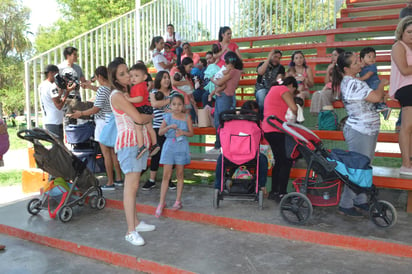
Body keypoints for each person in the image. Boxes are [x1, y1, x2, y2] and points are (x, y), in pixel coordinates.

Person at [332, 51, 387, 216]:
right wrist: (381, 84)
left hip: (365, 130)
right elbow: (377, 97)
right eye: (355, 62)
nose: (360, 64)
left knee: (363, 166)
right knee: (357, 168)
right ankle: (346, 204)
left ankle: (360, 200)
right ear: (347, 68)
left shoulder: (354, 81)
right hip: (360, 131)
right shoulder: (353, 83)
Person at [108, 58, 156, 246]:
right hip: (129, 144)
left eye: (127, 71)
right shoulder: (117, 95)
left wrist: (147, 116)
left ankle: (135, 222)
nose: (127, 75)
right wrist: (150, 115)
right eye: (122, 74)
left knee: (134, 186)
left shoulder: (130, 92)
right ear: (116, 79)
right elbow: (138, 117)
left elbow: (142, 116)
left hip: (137, 142)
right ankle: (130, 230)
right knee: (131, 186)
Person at [68, 66, 123, 190]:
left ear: (99, 77)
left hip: (102, 123)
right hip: (111, 122)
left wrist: (80, 114)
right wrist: (90, 87)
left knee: (106, 154)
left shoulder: (103, 90)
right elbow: (100, 90)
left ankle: (110, 182)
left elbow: (95, 108)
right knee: (113, 153)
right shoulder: (111, 88)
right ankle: (119, 178)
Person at [214, 101, 268, 192]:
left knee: (221, 160)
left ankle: (218, 186)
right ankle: (261, 185)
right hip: (250, 155)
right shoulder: (255, 123)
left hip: (230, 155)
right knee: (262, 160)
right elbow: (261, 137)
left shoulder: (229, 122)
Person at [155, 94, 194, 217]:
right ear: (170, 105)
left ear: (183, 106)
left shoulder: (187, 117)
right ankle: (161, 202)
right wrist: (169, 127)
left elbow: (191, 133)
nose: (177, 107)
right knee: (166, 175)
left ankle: (178, 200)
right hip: (169, 147)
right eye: (174, 104)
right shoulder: (167, 117)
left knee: (180, 174)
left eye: (179, 104)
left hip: (181, 146)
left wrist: (183, 132)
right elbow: (160, 132)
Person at [262, 77, 298, 201]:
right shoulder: (283, 89)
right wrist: (296, 117)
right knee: (286, 162)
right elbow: (294, 108)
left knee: (278, 160)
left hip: (268, 128)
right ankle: (282, 193)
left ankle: (274, 191)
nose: (292, 94)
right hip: (277, 129)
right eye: (293, 91)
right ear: (291, 86)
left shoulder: (272, 89)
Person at [141, 71, 178, 191]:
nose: (167, 80)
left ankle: (169, 180)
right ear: (159, 80)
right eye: (164, 78)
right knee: (156, 153)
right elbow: (155, 104)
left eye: (168, 78)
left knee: (171, 154)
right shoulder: (154, 92)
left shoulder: (174, 92)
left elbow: (178, 107)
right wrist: (170, 101)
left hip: (172, 128)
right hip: (157, 127)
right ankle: (152, 180)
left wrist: (173, 105)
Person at [390, 16, 412, 176]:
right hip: (406, 88)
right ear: (402, 32)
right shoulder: (399, 46)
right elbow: (404, 70)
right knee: (407, 126)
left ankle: (410, 160)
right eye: (409, 31)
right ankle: (405, 164)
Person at [124, 63, 160, 159]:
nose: (133, 78)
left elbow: (139, 98)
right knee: (149, 128)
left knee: (138, 128)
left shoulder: (138, 86)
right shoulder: (143, 85)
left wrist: (129, 99)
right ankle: (155, 144)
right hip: (147, 108)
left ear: (144, 77)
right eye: (131, 76)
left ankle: (141, 146)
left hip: (141, 108)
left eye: (136, 76)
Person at [210, 51, 243, 153]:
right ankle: (222, 144)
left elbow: (219, 82)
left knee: (220, 121)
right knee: (223, 121)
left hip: (224, 96)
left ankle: (220, 144)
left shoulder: (232, 71)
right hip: (229, 96)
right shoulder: (238, 71)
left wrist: (212, 79)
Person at [39, 64, 72, 141]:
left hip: (48, 120)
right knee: (59, 148)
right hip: (55, 122)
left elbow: (53, 98)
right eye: (57, 74)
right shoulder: (52, 86)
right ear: (51, 73)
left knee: (55, 147)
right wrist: (67, 93)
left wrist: (62, 91)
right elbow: (59, 105)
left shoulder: (42, 85)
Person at [310, 48, 345, 116]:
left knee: (323, 94)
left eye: (335, 55)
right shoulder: (331, 67)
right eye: (332, 55)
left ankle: (328, 116)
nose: (333, 57)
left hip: (339, 91)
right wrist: (328, 70)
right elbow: (326, 82)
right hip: (331, 90)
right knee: (316, 94)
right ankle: (319, 116)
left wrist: (337, 69)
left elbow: (343, 80)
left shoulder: (344, 67)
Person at [359, 47, 391, 120]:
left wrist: (360, 79)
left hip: (374, 83)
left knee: (376, 95)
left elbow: (368, 75)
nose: (372, 59)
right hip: (368, 85)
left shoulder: (372, 66)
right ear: (362, 59)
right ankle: (384, 110)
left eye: (374, 57)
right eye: (369, 57)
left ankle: (383, 106)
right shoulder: (361, 67)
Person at [255, 49, 285, 117]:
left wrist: (280, 80)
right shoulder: (262, 64)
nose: (277, 59)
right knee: (262, 95)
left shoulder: (281, 68)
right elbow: (261, 72)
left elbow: (279, 81)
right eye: (275, 57)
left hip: (273, 90)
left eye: (279, 58)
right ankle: (262, 118)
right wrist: (268, 59)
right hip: (261, 89)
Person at [170, 57, 198, 122]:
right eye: (190, 67)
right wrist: (186, 82)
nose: (191, 69)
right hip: (177, 95)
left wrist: (193, 100)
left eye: (192, 67)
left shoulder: (188, 75)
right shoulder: (175, 70)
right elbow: (173, 83)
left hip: (187, 97)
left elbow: (190, 90)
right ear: (184, 65)